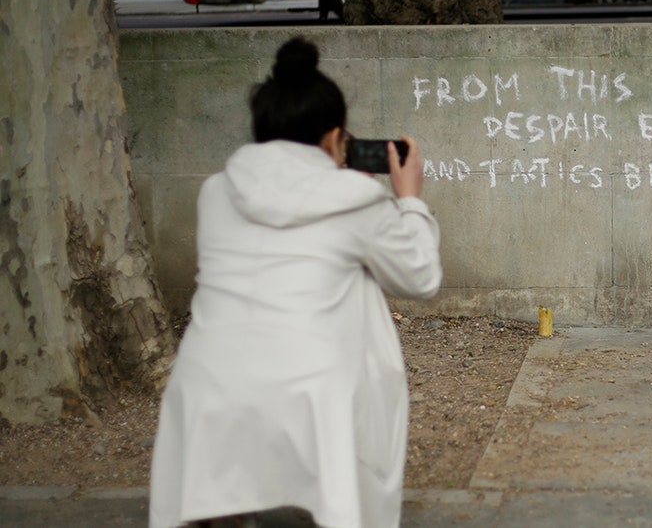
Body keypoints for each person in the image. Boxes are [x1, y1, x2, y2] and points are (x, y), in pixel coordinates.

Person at [149, 37, 442, 528]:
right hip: (312, 390)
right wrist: (408, 200)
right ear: (334, 138)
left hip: (205, 381)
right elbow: (422, 278)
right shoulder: (354, 198)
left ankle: (221, 509)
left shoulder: (215, 192)